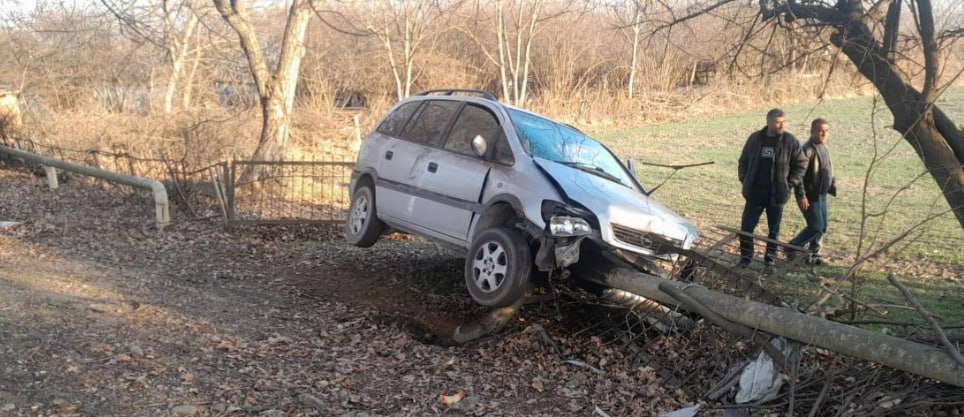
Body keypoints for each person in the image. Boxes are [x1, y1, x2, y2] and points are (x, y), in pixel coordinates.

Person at [737, 108, 808, 268]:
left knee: (773, 230)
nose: (781, 125)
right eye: (778, 122)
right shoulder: (755, 139)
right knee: (746, 228)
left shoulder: (790, 141)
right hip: (755, 193)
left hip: (777, 194)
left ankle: (770, 258)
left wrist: (789, 183)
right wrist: (744, 179)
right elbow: (743, 161)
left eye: (784, 121)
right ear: (768, 122)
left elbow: (801, 164)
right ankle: (745, 258)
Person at [789, 118, 836, 264]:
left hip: (822, 195)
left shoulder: (824, 147)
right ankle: (792, 247)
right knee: (816, 227)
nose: (824, 134)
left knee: (823, 227)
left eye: (826, 130)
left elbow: (828, 169)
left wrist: (832, 184)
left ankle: (813, 256)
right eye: (820, 130)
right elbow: (798, 176)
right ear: (812, 131)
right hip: (810, 197)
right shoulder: (806, 150)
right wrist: (802, 196)